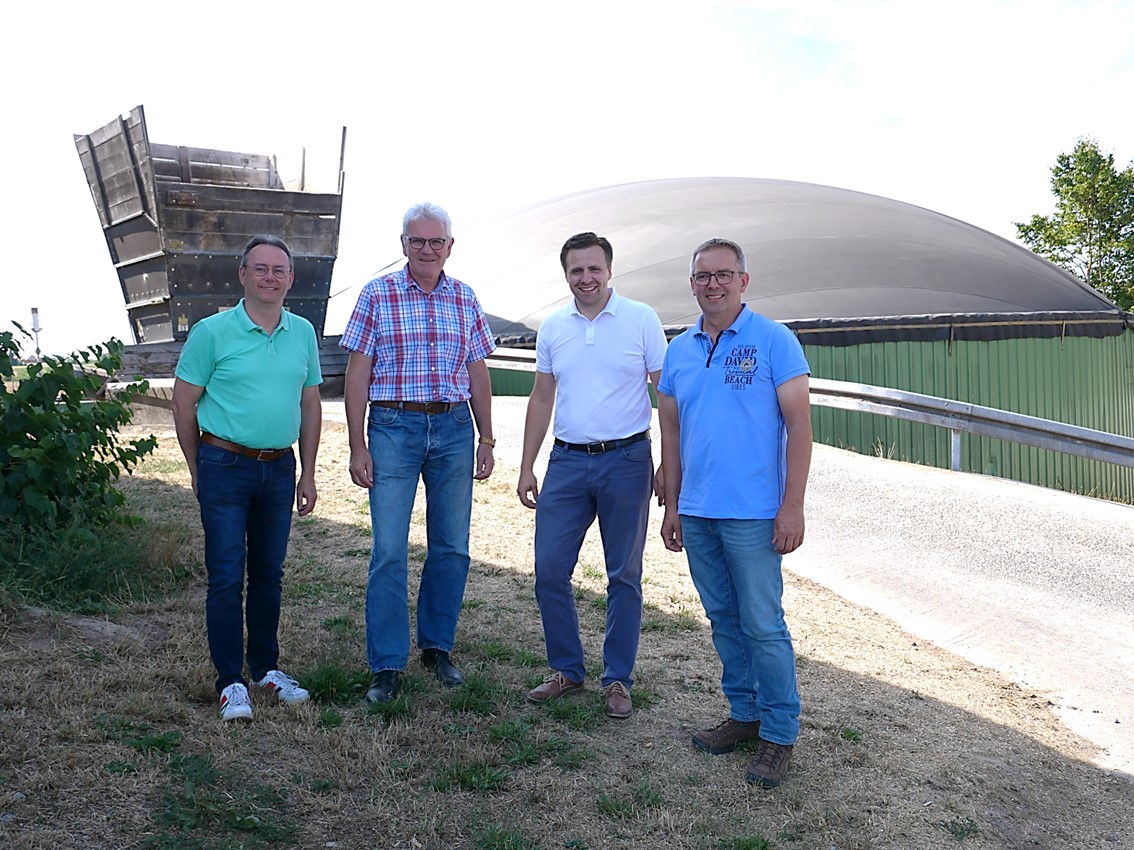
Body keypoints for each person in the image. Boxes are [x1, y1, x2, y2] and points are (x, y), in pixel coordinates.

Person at [657, 237, 812, 787]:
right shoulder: (678, 350)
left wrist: (791, 507)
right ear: (692, 283)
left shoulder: (775, 341)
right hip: (697, 512)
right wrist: (673, 504)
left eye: (724, 275)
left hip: (753, 514)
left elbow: (799, 428)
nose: (713, 284)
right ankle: (744, 714)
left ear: (743, 281)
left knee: (763, 624)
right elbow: (671, 432)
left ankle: (779, 733)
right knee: (723, 619)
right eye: (703, 276)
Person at [341, 202, 496, 705]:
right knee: (388, 550)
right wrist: (357, 444)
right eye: (417, 241)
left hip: (453, 427)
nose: (427, 250)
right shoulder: (377, 294)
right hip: (393, 426)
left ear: (450, 246)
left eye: (436, 242)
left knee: (451, 545)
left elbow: (477, 372)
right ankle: (386, 662)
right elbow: (358, 373)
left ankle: (437, 646)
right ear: (403, 244)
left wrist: (486, 437)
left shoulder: (465, 297)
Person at [171, 234, 322, 722]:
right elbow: (183, 402)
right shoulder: (213, 332)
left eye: (280, 270)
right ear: (242, 275)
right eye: (261, 269)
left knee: (269, 575)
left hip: (279, 468)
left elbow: (310, 403)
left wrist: (308, 472)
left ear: (291, 280)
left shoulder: (302, 332)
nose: (270, 278)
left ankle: (266, 670)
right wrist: (198, 468)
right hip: (225, 465)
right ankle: (230, 682)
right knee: (225, 575)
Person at [517, 232, 667, 719]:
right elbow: (542, 397)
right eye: (576, 270)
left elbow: (667, 397)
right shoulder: (553, 327)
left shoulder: (641, 320)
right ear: (566, 275)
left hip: (626, 462)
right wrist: (527, 464)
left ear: (609, 270)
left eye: (594, 268)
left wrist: (668, 464)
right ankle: (568, 670)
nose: (586, 278)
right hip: (566, 463)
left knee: (623, 574)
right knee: (549, 570)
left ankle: (617, 679)